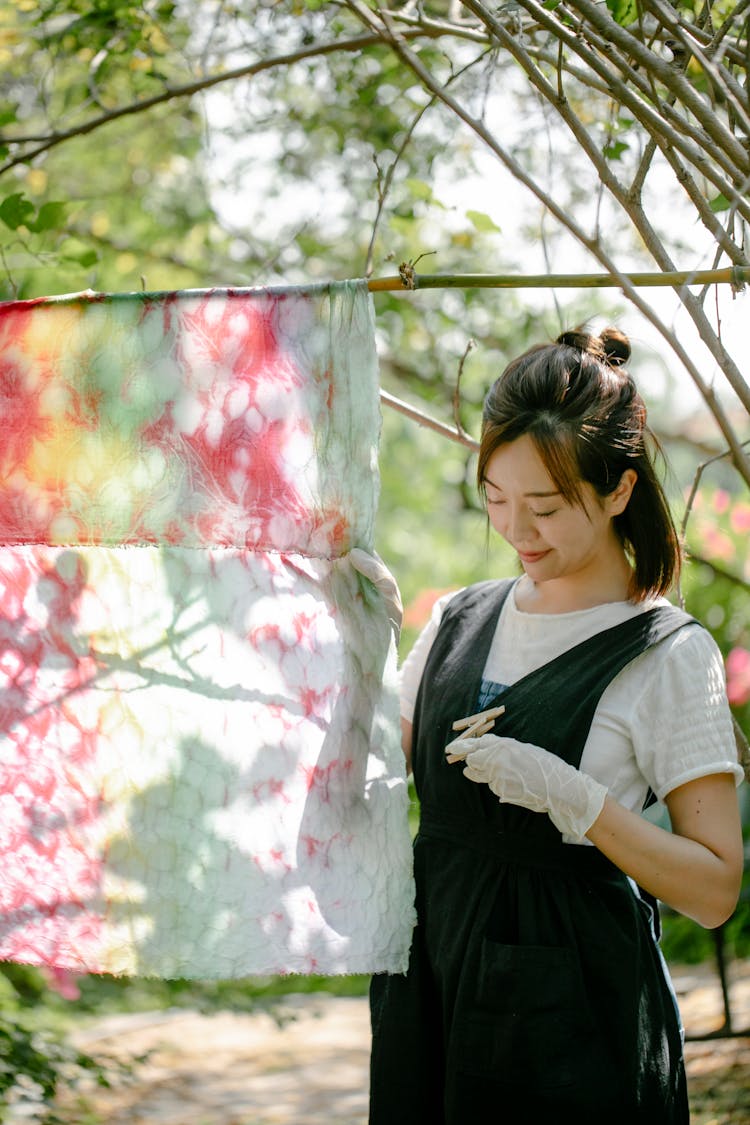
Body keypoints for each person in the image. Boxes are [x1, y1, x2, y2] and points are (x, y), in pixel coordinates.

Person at [364, 327, 744, 1125]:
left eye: (544, 506)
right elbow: (365, 781)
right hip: (428, 981)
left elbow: (714, 890)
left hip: (576, 1015)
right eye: (496, 500)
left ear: (617, 491)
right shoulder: (459, 619)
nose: (517, 530)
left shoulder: (669, 653)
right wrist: (352, 651)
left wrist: (582, 803)